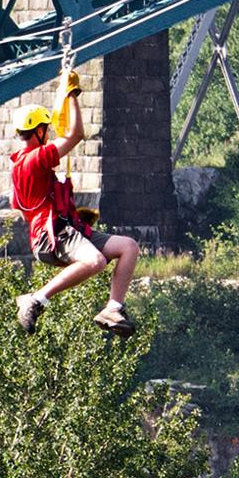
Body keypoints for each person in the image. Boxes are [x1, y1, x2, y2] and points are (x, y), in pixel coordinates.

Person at [10, 67, 141, 336]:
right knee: (95, 262)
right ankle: (35, 299)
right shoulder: (34, 159)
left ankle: (113, 308)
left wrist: (70, 215)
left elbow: (29, 209)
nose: (48, 134)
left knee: (128, 247)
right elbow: (75, 135)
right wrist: (71, 94)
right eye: (46, 130)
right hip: (55, 235)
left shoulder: (20, 166)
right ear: (39, 131)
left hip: (66, 229)